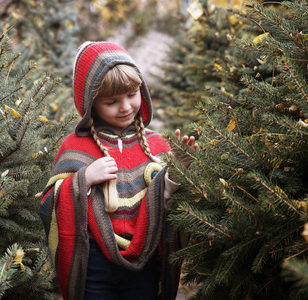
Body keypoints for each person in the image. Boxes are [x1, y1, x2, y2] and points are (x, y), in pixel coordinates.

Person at [40, 41, 198, 300]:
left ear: (142, 91)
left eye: (132, 95)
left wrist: (176, 174)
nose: (125, 107)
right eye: (111, 101)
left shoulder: (156, 144)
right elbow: (49, 205)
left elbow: (168, 202)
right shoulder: (76, 146)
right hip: (94, 262)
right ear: (91, 104)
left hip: (147, 261)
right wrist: (84, 180)